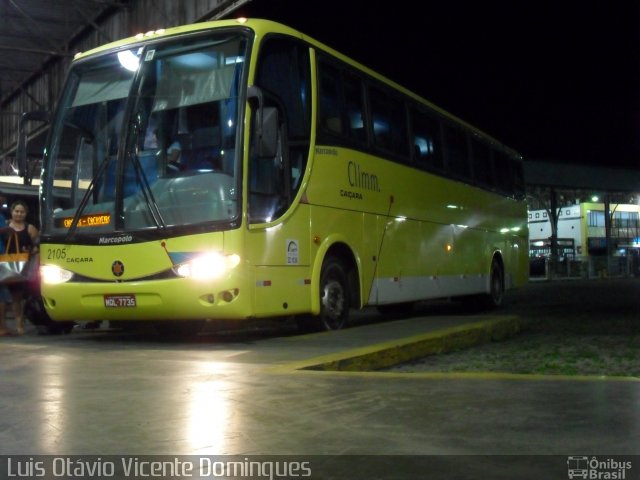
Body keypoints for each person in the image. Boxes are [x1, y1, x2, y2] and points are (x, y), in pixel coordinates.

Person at [6, 200, 39, 335]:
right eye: (16, 211)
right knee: (9, 297)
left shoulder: (30, 228)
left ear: (26, 214)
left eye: (22, 212)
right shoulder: (6, 225)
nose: (19, 214)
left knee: (19, 297)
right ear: (12, 212)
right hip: (6, 265)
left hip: (24, 268)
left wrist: (35, 265)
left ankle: (19, 324)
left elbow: (37, 247)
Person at [0, 209, 12, 336]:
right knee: (2, 293)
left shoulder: (2, 216)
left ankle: (3, 326)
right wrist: (6, 230)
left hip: (2, 256)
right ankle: (2, 327)